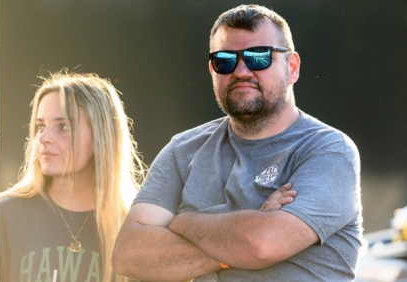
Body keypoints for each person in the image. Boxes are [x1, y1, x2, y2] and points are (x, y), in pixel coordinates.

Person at [112, 4, 362, 282]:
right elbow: (128, 255)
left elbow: (262, 245)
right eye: (225, 60)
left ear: (291, 67)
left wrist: (180, 222)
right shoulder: (182, 149)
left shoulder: (327, 150)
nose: (241, 70)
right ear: (212, 69)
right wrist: (248, 225)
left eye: (258, 57)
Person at [0, 70, 145, 282]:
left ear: (100, 135)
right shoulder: (3, 216)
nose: (44, 138)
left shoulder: (134, 226)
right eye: (40, 126)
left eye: (63, 126)